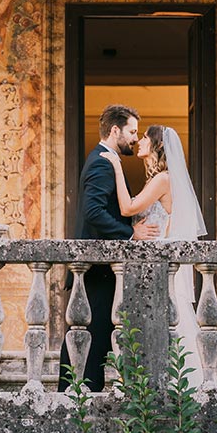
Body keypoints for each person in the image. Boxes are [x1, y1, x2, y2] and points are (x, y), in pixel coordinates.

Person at [57, 105, 159, 392]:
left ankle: (80, 396)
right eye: (131, 131)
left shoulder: (105, 160)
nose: (135, 138)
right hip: (95, 271)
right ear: (115, 131)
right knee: (90, 340)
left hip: (99, 272)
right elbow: (92, 211)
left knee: (94, 340)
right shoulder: (103, 162)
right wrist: (131, 233)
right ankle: (77, 401)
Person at [100, 125, 208, 386]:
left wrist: (116, 167)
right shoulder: (156, 180)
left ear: (157, 145)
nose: (139, 141)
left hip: (157, 269)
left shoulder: (162, 180)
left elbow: (127, 208)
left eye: (145, 137)